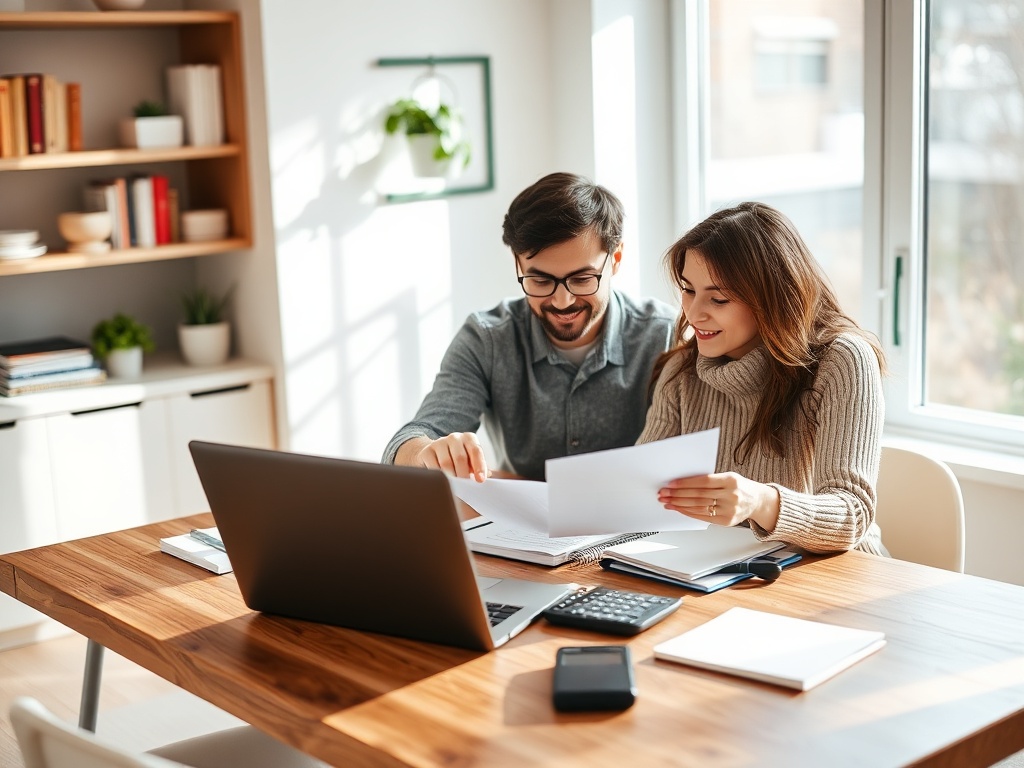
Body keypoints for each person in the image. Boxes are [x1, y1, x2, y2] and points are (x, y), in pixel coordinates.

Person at [382, 172, 676, 481]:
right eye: (540, 280)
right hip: (520, 527)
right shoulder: (487, 339)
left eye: (582, 279)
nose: (563, 301)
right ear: (517, 265)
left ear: (615, 259)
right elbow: (412, 439)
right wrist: (427, 452)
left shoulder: (664, 334)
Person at [640, 201, 888, 554]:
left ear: (772, 299)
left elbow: (852, 517)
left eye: (719, 299)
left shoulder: (842, 360)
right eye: (688, 289)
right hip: (721, 570)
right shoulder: (681, 371)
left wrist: (758, 501)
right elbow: (641, 495)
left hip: (835, 576)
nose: (694, 313)